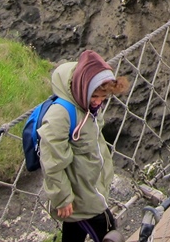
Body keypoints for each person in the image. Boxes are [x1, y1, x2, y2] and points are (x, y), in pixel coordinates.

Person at [39, 49, 130, 241]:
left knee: (74, 231)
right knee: (110, 231)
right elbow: (52, 161)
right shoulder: (61, 115)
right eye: (94, 97)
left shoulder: (88, 106)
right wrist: (62, 198)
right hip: (83, 197)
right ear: (82, 89)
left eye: (103, 98)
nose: (98, 103)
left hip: (88, 187)